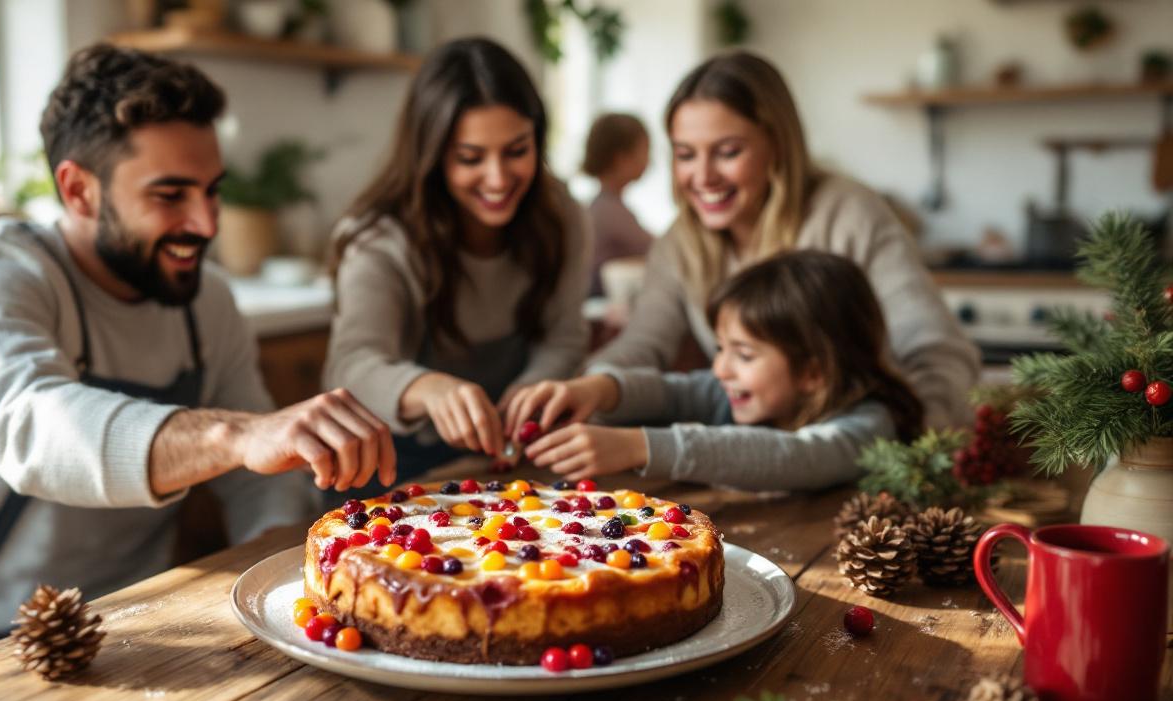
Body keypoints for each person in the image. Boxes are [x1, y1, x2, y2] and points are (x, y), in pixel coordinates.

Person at [0, 44, 394, 701]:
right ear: (78, 190)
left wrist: (301, 597)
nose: (205, 222)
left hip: (145, 632)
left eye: (213, 189)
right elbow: (33, 427)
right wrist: (238, 434)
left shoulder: (206, 300)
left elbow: (254, 488)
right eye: (170, 195)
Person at [562, 52, 977, 431]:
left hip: (867, 452)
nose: (703, 177)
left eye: (727, 151)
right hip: (768, 459)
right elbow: (644, 344)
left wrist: (916, 445)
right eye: (686, 154)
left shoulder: (850, 216)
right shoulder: (679, 243)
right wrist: (588, 389)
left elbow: (936, 349)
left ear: (777, 144)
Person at [324, 37, 590, 485]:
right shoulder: (379, 237)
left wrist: (531, 391)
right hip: (394, 467)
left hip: (515, 460)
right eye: (470, 157)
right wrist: (429, 389)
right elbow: (351, 364)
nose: (498, 178)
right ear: (431, 155)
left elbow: (564, 337)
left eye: (517, 150)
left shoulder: (561, 214)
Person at [524, 250, 923, 490]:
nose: (720, 369)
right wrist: (600, 389)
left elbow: (797, 456)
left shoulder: (869, 427)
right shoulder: (737, 393)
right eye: (719, 349)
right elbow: (673, 391)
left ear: (813, 373)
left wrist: (639, 446)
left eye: (744, 355)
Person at [580, 112, 654, 297]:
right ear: (621, 159)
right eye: (645, 151)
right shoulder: (608, 212)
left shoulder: (601, 206)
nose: (650, 160)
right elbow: (662, 251)